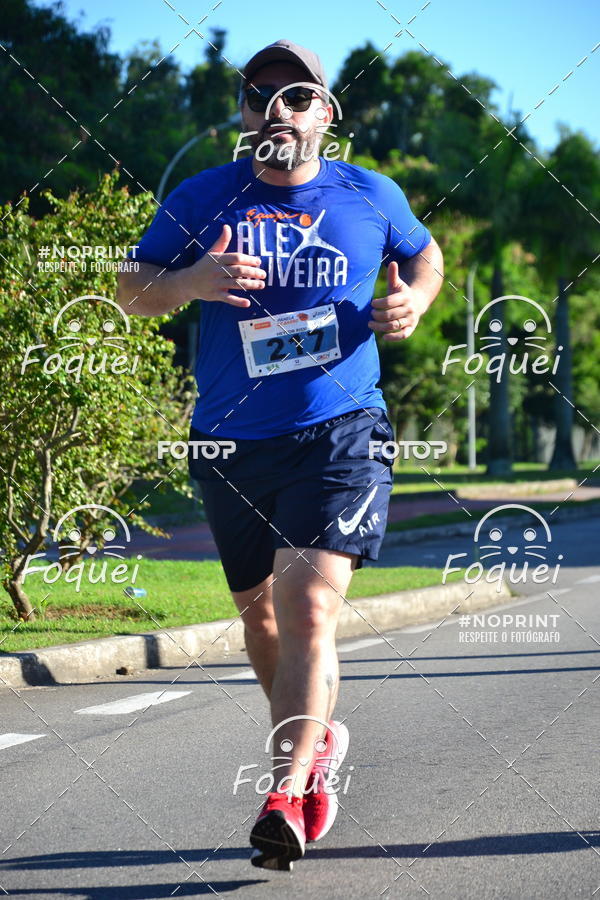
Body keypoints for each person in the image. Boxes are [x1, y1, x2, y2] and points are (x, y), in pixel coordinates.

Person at [117, 39, 444, 871]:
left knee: (305, 611)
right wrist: (189, 281)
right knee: (260, 619)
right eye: (258, 94)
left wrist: (414, 300)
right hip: (231, 441)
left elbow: (424, 253)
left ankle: (283, 792)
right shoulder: (201, 196)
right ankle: (316, 742)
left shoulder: (370, 194)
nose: (277, 108)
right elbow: (130, 289)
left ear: (326, 113)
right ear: (241, 111)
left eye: (296, 95)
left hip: (341, 433)